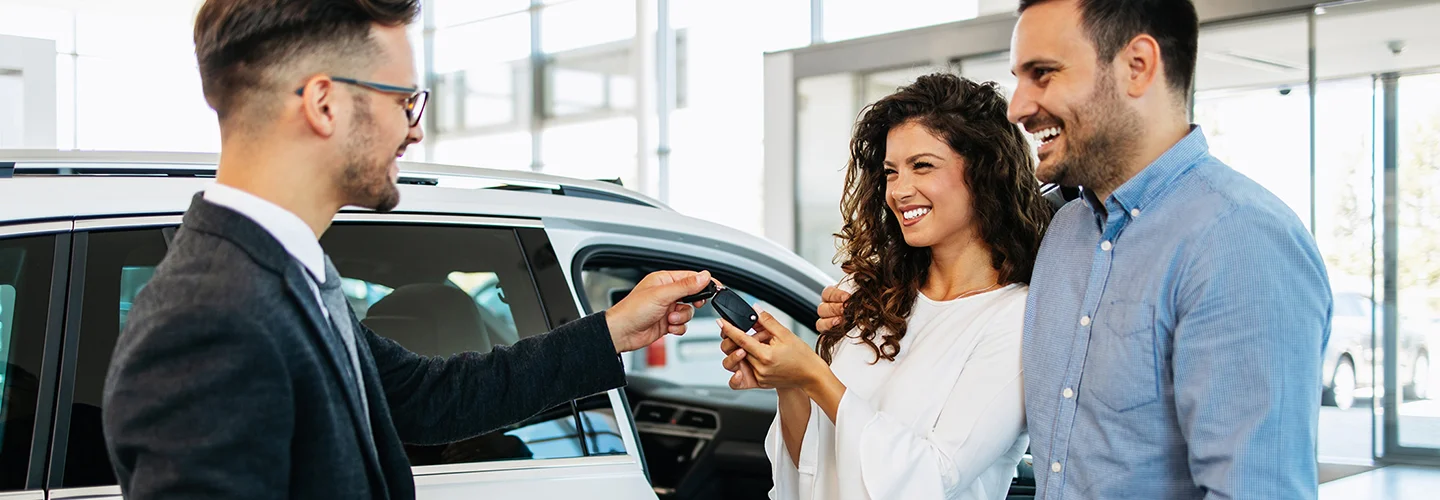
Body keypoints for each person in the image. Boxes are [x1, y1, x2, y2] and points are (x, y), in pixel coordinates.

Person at [100, 1, 712, 498]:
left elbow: (428, 398)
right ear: (323, 102)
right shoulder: (209, 323)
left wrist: (610, 331)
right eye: (403, 100)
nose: (415, 128)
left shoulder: (286, 273)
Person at [817, 1, 1333, 498]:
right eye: (1018, 77)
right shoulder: (1066, 231)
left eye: (1043, 74)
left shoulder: (1240, 241)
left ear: (1137, 66)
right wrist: (870, 309)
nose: (1018, 107)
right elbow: (964, 268)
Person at [719, 74, 1052, 500]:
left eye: (923, 166)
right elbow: (812, 468)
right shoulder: (874, 295)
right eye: (891, 172)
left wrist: (815, 376)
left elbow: (932, 478)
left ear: (986, 173)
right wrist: (789, 381)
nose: (899, 190)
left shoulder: (1018, 319)